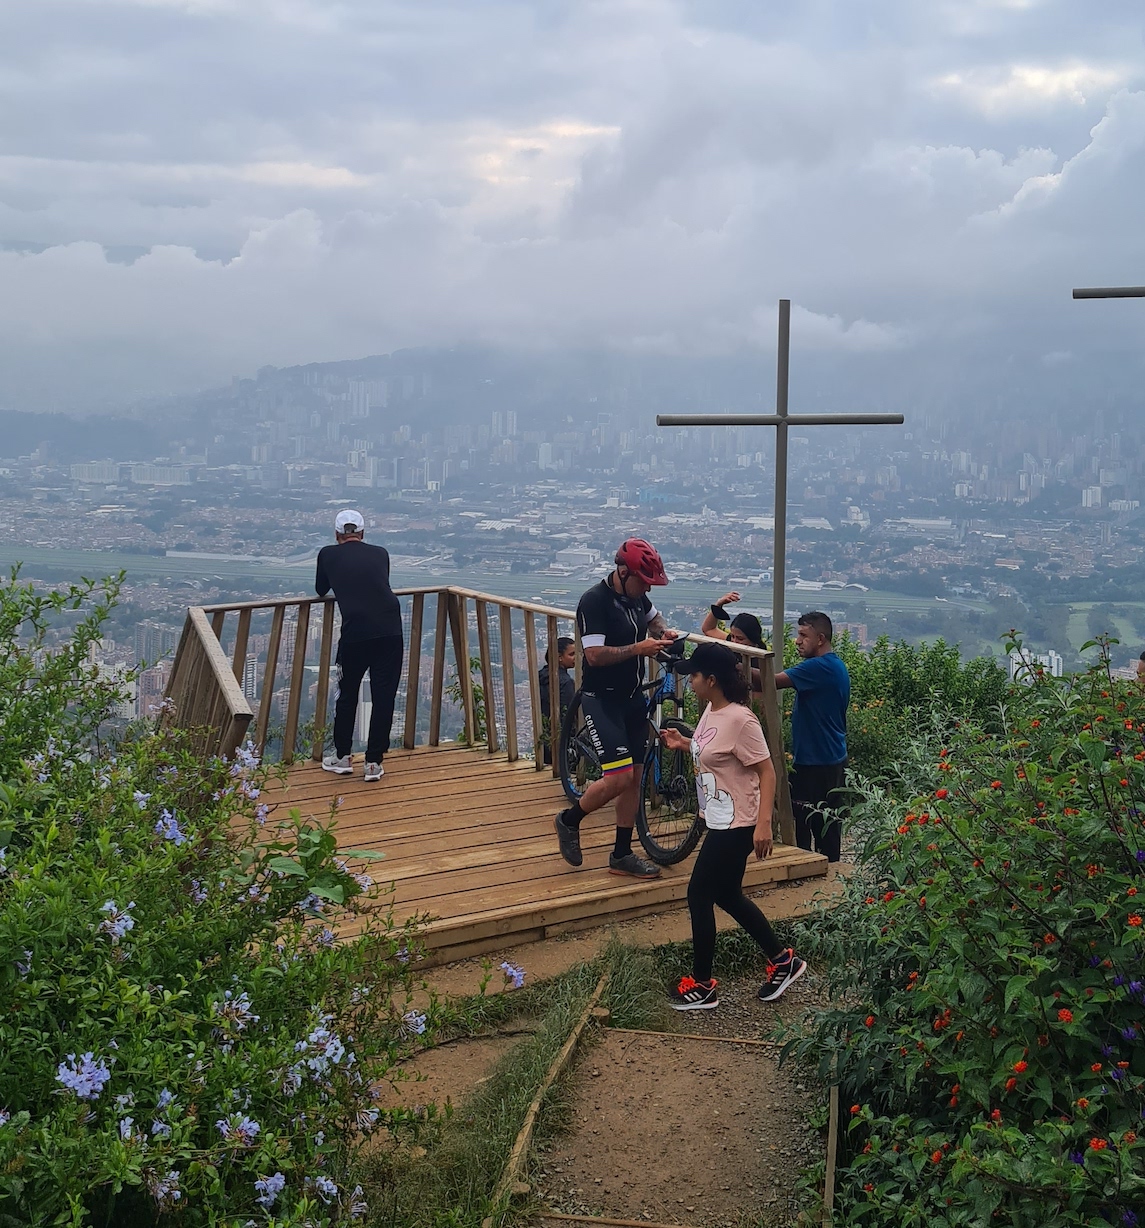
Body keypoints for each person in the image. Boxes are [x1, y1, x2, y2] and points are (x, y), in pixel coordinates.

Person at [660, 641, 807, 1009]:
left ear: (712, 679)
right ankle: (783, 961)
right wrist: (685, 744)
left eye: (693, 676)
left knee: (698, 894)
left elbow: (766, 770)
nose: (689, 682)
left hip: (739, 824)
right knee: (726, 894)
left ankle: (703, 984)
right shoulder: (712, 710)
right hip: (720, 819)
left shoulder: (742, 719)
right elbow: (718, 753)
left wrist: (763, 826)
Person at [553, 538, 677, 879]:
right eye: (644, 581)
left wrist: (666, 634)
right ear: (623, 571)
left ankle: (621, 854)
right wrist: (639, 648)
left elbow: (655, 620)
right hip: (602, 699)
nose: (647, 588)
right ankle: (568, 820)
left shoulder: (637, 596)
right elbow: (593, 655)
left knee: (634, 778)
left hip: (632, 698)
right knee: (619, 777)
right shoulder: (594, 601)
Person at [315, 509, 404, 782]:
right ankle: (374, 762)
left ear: (337, 534)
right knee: (384, 696)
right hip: (390, 628)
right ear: (362, 533)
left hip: (356, 631)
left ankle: (342, 756)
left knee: (348, 693)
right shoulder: (381, 553)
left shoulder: (328, 554)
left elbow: (321, 589)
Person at [774, 611, 849, 863]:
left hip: (817, 762)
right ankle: (825, 871)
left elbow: (770, 682)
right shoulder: (835, 665)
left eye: (804, 635)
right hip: (830, 758)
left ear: (820, 638)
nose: (797, 640)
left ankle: (813, 873)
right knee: (823, 824)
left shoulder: (819, 667)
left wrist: (734, 667)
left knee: (810, 822)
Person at [539, 637, 577, 765]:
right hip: (561, 739)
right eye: (571, 654)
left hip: (544, 736)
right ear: (559, 657)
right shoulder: (566, 683)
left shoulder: (540, 676)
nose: (575, 657)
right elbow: (568, 713)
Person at [701, 590, 767, 651]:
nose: (734, 641)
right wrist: (718, 605)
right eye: (732, 636)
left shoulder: (761, 654)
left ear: (753, 639)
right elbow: (708, 630)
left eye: (740, 639)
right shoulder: (731, 641)